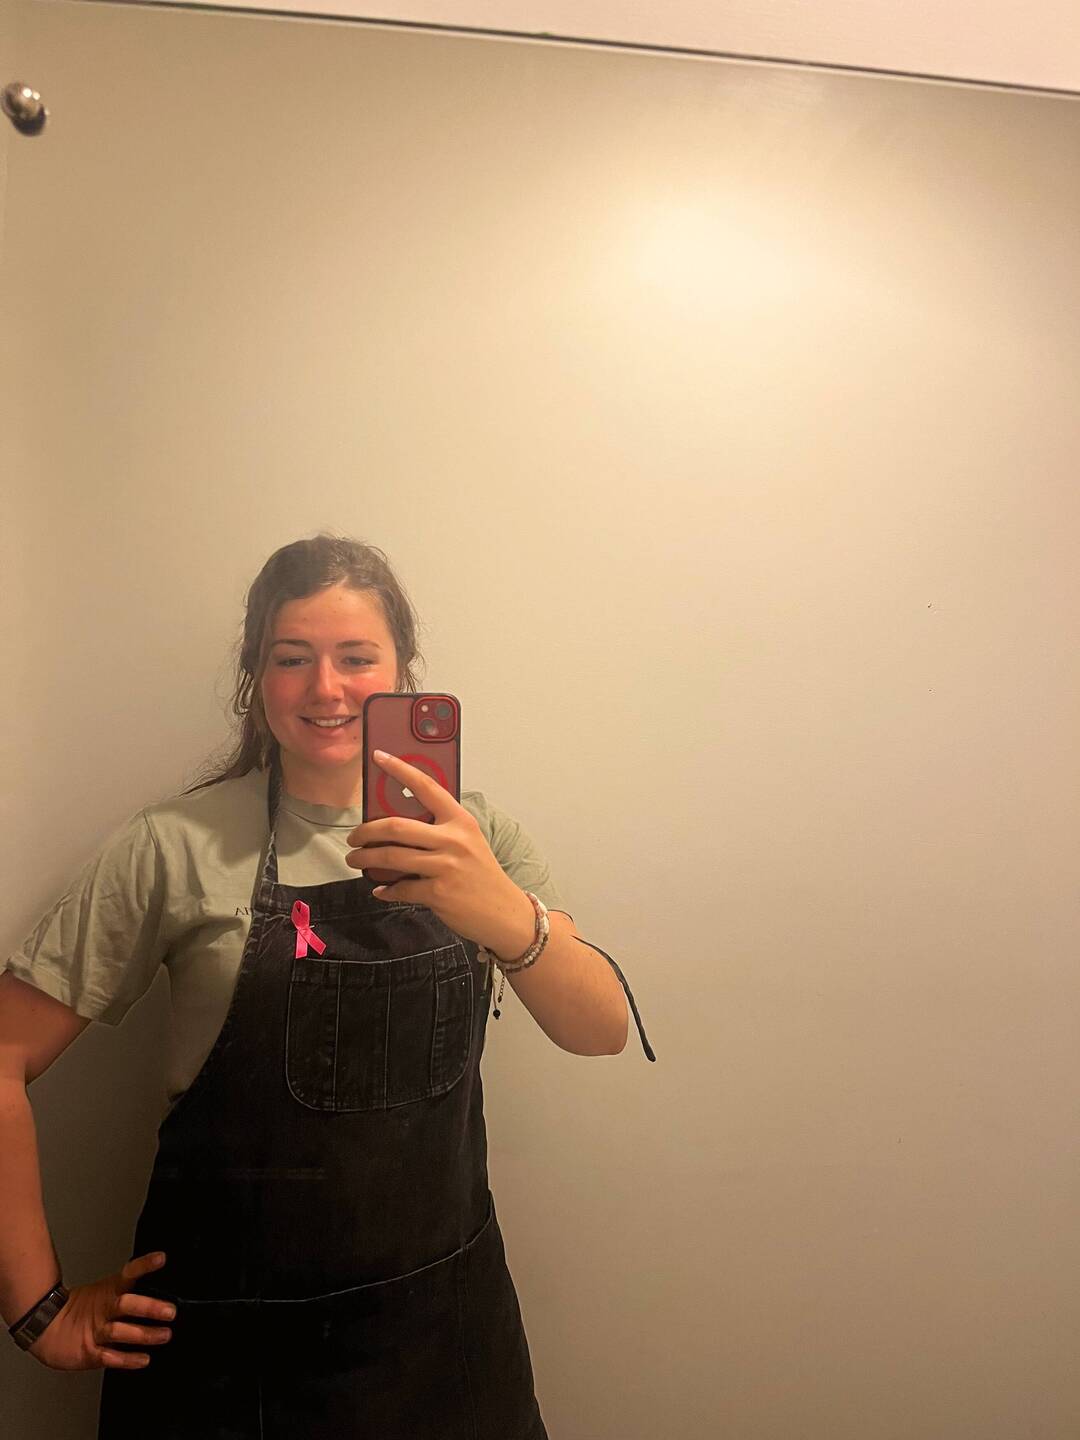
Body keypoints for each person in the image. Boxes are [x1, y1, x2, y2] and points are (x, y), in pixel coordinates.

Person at [0, 534, 654, 1439]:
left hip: (443, 1342)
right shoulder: (173, 848)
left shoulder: (478, 837)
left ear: (402, 673)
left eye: (356, 657)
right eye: (291, 658)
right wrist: (38, 1310)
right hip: (226, 1365)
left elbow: (601, 1029)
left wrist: (502, 912)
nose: (326, 688)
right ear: (254, 676)